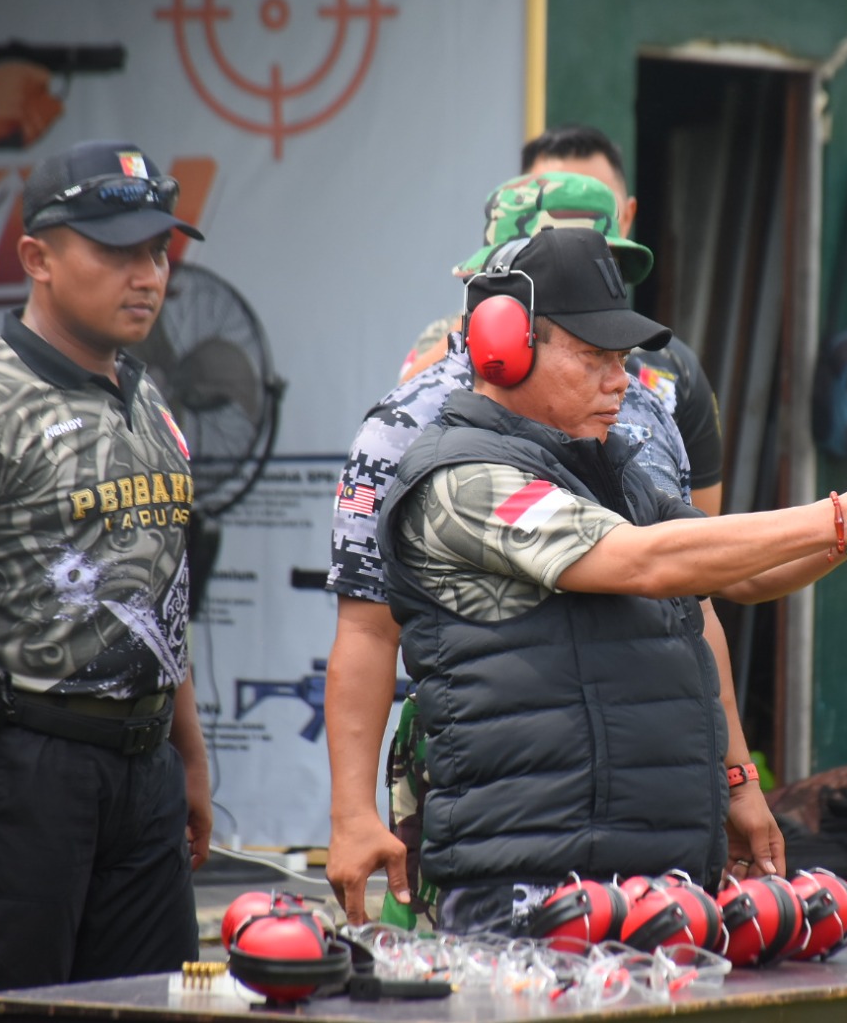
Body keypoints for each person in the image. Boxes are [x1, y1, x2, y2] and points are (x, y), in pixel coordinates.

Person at [378, 225, 847, 934]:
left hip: (657, 872)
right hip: (528, 882)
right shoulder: (462, 478)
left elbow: (741, 575)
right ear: (504, 348)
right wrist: (844, 516)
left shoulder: (613, 465)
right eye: (594, 355)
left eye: (622, 359)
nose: (619, 380)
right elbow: (644, 561)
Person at [323, 172, 778, 927]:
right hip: (518, 817)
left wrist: (734, 776)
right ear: (503, 330)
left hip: (651, 817)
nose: (617, 370)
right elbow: (369, 630)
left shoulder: (642, 413)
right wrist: (351, 810)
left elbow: (698, 585)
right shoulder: (415, 432)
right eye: (591, 345)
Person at [0, 140, 211, 1020]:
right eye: (115, 252)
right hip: (28, 775)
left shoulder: (147, 399)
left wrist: (188, 751)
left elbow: (157, 593)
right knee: (5, 1008)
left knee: (151, 1005)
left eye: (157, 253)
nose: (146, 275)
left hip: (142, 775)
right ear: (37, 257)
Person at [402, 123, 727, 516]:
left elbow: (704, 545)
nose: (616, 379)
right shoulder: (442, 376)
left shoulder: (674, 374)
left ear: (626, 218)